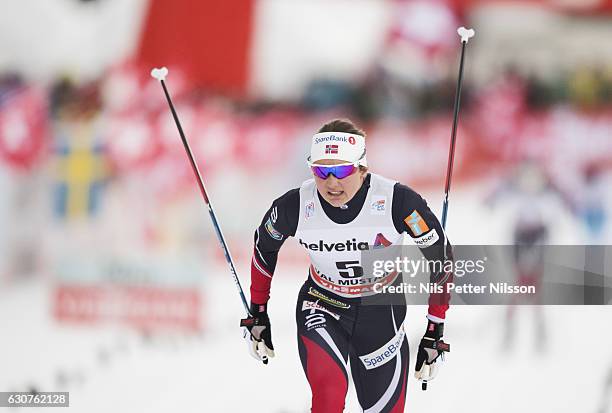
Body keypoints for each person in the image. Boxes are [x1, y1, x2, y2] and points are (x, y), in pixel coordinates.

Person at [241, 119, 452, 412]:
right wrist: (258, 312)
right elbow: (264, 248)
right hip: (322, 303)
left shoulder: (397, 201)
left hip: (381, 311)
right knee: (328, 399)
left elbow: (440, 257)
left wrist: (434, 329)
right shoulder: (295, 206)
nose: (331, 182)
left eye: (341, 170)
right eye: (320, 170)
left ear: (362, 167)